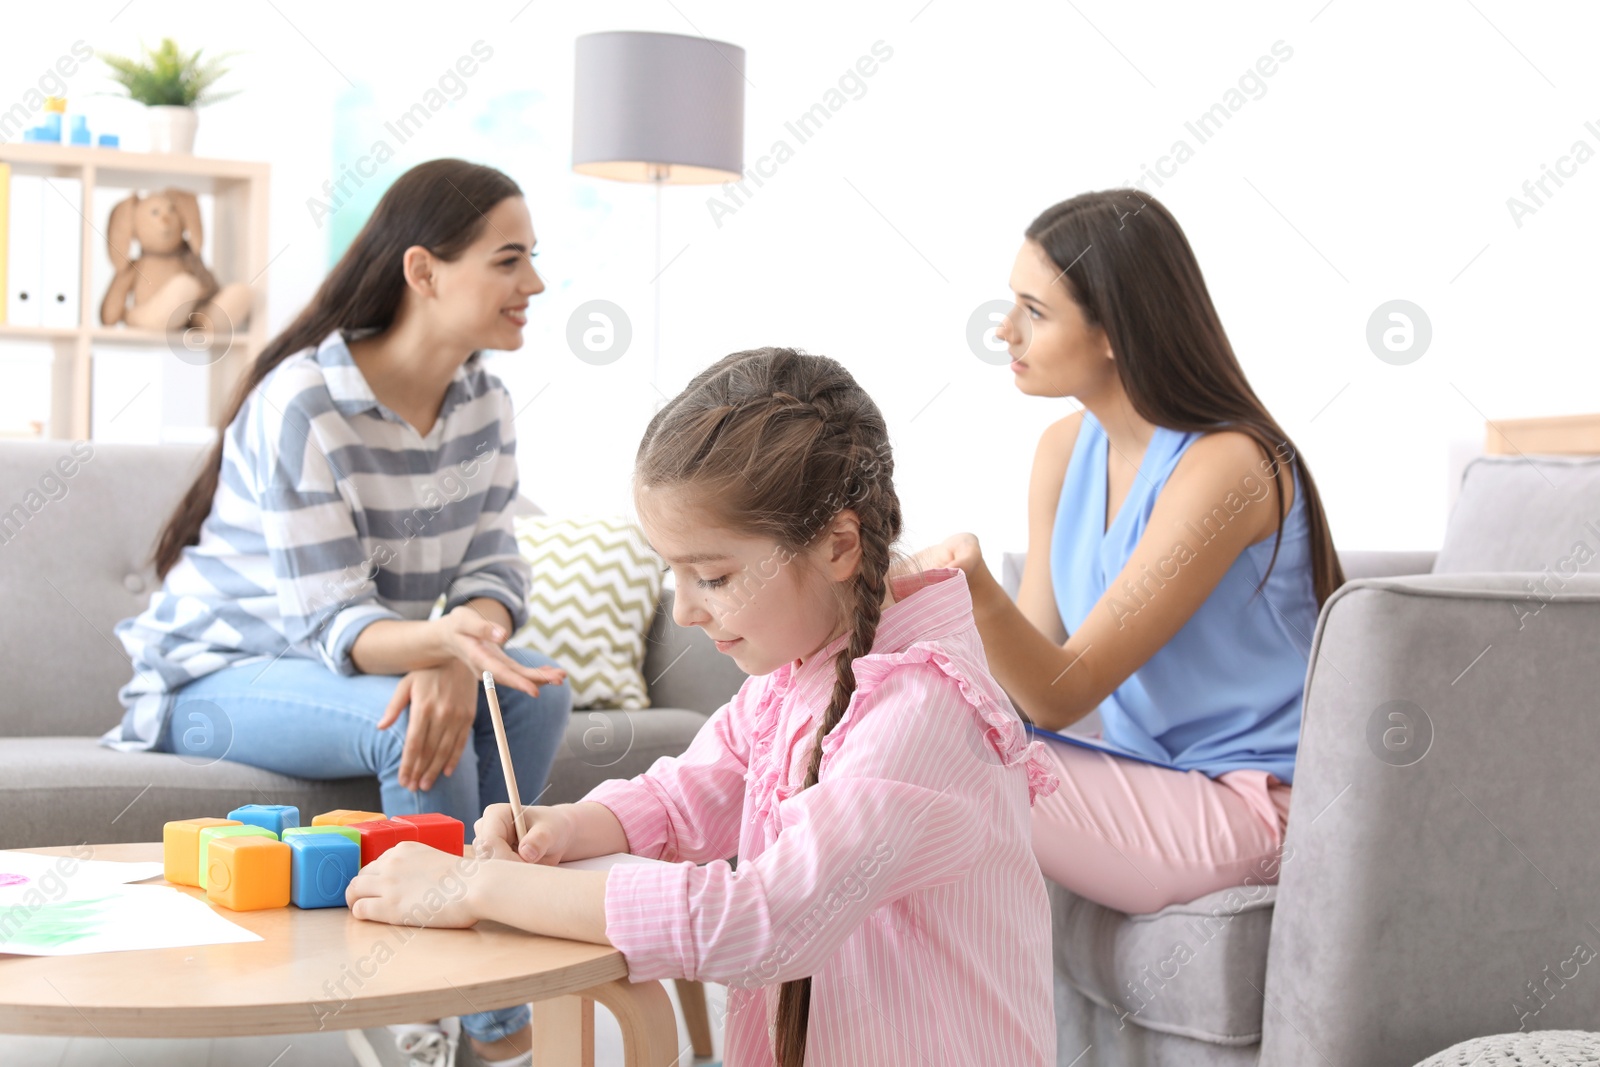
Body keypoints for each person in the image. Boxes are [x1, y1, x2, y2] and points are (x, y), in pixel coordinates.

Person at [347, 347, 1061, 1067]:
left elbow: (766, 921)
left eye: (712, 576)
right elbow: (683, 795)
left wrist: (483, 885)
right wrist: (566, 827)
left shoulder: (919, 710)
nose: (684, 609)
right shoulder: (791, 675)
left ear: (839, 544)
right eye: (673, 573)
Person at [106, 159, 570, 1065]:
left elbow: (492, 568)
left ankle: (484, 1001)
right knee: (405, 722)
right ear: (424, 271)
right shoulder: (304, 400)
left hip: (360, 658)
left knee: (540, 695)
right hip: (214, 673)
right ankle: (451, 1019)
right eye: (510, 260)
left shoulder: (486, 403)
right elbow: (336, 624)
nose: (536, 284)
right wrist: (438, 651)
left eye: (534, 260)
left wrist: (455, 646)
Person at [916, 189, 1344, 917]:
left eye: (1035, 311)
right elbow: (1023, 687)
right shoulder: (1060, 451)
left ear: (1116, 329)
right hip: (1144, 775)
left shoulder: (1228, 468)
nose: (1003, 331)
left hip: (1253, 801)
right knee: (904, 726)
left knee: (933, 758)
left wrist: (969, 586)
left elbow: (1063, 690)